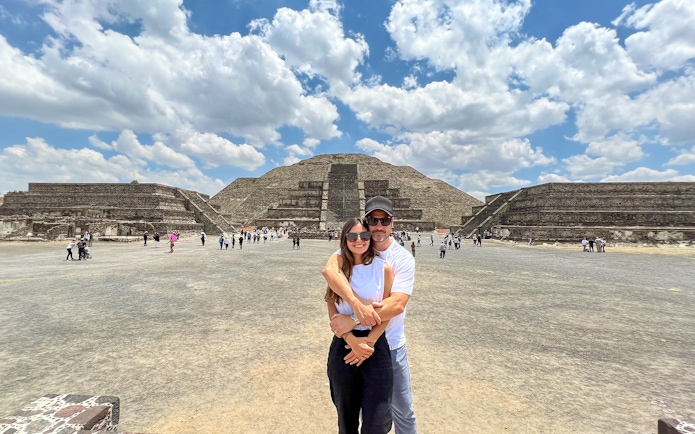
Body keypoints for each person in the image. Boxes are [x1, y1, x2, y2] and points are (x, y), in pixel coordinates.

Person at [323, 196, 418, 434]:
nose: (378, 226)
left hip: (390, 344)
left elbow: (396, 305)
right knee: (355, 411)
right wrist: (353, 318)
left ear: (392, 223)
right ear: (366, 221)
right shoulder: (352, 248)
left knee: (400, 408)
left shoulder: (400, 259)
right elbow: (329, 275)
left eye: (384, 220)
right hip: (348, 344)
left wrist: (354, 321)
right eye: (373, 220)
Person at [326, 218, 394, 434]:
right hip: (344, 346)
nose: (359, 240)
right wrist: (351, 340)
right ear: (344, 239)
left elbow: (387, 313)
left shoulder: (383, 269)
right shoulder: (338, 269)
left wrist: (368, 343)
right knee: (346, 419)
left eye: (364, 235)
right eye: (352, 236)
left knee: (378, 420)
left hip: (375, 345)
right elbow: (333, 310)